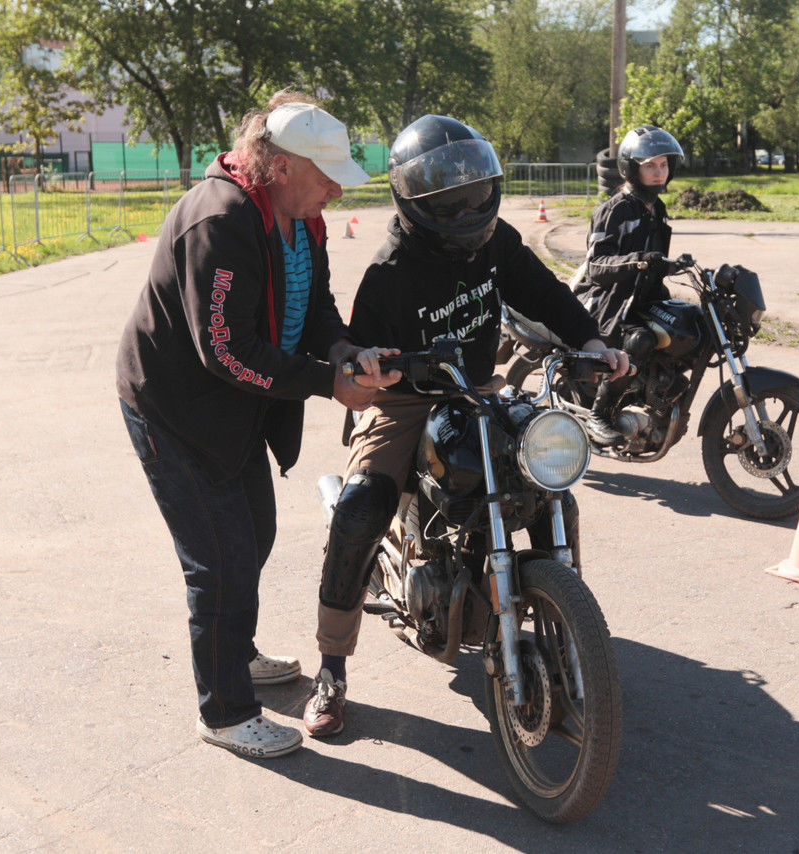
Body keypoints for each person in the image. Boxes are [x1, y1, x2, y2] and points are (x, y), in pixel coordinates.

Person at [302, 114, 628, 738]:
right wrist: (378, 363)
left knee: (547, 485)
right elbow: (359, 357)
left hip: (478, 391)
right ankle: (331, 669)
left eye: (474, 190)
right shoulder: (389, 271)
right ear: (416, 199)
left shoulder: (495, 240)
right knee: (361, 509)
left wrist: (591, 340)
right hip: (404, 401)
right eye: (449, 196)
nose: (466, 204)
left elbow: (544, 292)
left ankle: (564, 634)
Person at [116, 91, 400, 758]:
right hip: (175, 410)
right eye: (326, 174)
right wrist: (330, 385)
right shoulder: (220, 221)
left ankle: (233, 655)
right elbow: (226, 350)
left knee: (256, 532)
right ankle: (224, 712)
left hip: (234, 406)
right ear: (281, 166)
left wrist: (344, 351)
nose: (335, 188)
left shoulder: (301, 218)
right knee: (220, 563)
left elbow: (316, 304)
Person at [571, 124, 686, 445]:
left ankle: (657, 404)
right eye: (650, 165)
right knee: (639, 342)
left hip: (640, 302)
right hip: (609, 303)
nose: (658, 171)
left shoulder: (657, 210)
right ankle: (599, 413)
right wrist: (637, 260)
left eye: (663, 164)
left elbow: (654, 262)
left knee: (687, 332)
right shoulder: (615, 210)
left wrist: (671, 265)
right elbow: (596, 266)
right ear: (631, 167)